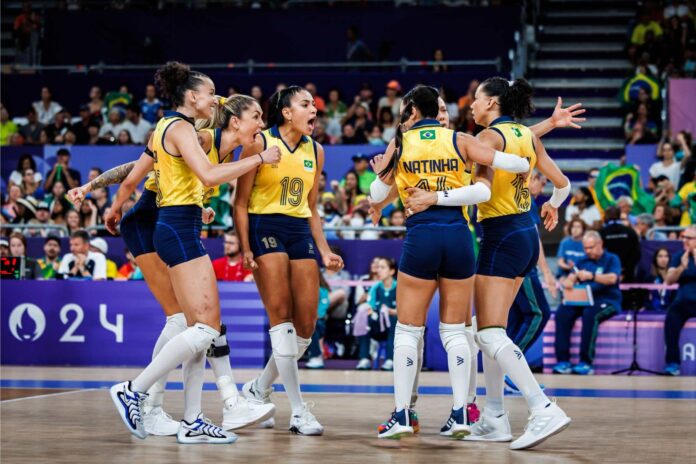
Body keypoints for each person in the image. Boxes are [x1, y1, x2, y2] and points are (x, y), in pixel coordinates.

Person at [106, 62, 280, 444]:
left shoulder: (180, 127)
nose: (215, 98)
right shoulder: (181, 128)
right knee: (204, 328)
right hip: (178, 230)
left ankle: (192, 419)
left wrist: (200, 203)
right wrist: (257, 160)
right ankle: (134, 389)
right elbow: (209, 175)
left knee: (195, 328)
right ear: (192, 96)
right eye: (210, 92)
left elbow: (182, 181)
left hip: (182, 225)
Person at [367, 84, 531, 440]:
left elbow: (376, 195)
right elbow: (517, 163)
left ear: (411, 110)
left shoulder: (401, 141)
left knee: (409, 330)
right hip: (460, 236)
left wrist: (383, 169)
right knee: (456, 331)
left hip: (421, 236)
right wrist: (522, 170)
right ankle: (460, 414)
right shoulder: (461, 140)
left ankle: (402, 415)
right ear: (435, 110)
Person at [456, 77, 571, 449]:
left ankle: (542, 407)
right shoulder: (525, 135)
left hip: (500, 235)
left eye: (476, 99)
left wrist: (436, 197)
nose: (471, 105)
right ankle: (494, 417)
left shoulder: (487, 138)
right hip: (526, 233)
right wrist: (553, 203)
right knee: (491, 329)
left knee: (488, 333)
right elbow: (563, 183)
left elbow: (483, 188)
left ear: (491, 103)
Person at [235, 85, 344, 436]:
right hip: (265, 224)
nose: (314, 109)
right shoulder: (259, 143)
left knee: (306, 326)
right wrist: (244, 246)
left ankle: (257, 389)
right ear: (286, 112)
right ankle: (298, 410)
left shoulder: (317, 150)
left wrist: (324, 249)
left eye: (314, 104)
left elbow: (312, 208)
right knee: (280, 316)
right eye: (306, 104)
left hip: (299, 230)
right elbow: (239, 203)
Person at [503, 171, 557, 393]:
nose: (543, 188)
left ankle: (506, 373)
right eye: (542, 182)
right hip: (522, 266)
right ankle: (511, 371)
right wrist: (547, 273)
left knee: (516, 318)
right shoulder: (525, 198)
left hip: (510, 264)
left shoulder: (519, 197)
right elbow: (534, 240)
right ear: (530, 179)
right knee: (539, 313)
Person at [553, 231, 622, 375]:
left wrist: (591, 276)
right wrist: (568, 282)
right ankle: (563, 361)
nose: (587, 251)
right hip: (583, 300)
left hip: (607, 299)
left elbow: (612, 279)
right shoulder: (582, 261)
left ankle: (586, 362)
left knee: (590, 314)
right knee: (562, 313)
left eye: (591, 247)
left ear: (600, 244)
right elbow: (570, 278)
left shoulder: (612, 259)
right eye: (585, 248)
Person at [662, 225, 696, 375]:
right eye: (684, 237)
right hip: (683, 301)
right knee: (671, 318)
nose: (685, 240)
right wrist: (682, 267)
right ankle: (673, 363)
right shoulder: (679, 256)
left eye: (689, 238)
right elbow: (669, 280)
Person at [354, 257, 398, 371]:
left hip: (393, 328)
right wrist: (369, 311)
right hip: (378, 327)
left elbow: (403, 311)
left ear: (392, 271)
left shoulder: (399, 287)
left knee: (393, 320)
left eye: (382, 267)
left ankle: (390, 360)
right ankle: (364, 359)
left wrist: (389, 311)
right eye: (378, 267)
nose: (378, 270)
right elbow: (371, 306)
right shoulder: (375, 287)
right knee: (364, 319)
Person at [600, 206, 641, 282]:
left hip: (607, 272)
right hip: (627, 271)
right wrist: (625, 269)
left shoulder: (602, 232)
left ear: (606, 216)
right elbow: (636, 253)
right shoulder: (630, 231)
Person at [304, 271, 332, 369]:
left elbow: (322, 310)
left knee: (313, 327)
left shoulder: (322, 290)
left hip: (318, 321)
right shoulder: (303, 290)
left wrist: (311, 317)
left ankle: (316, 356)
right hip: (302, 321)